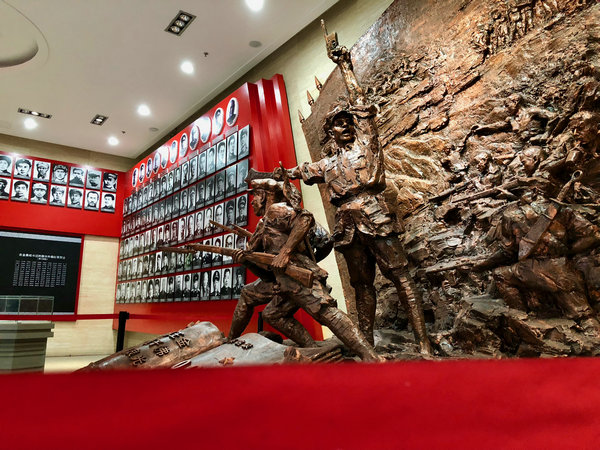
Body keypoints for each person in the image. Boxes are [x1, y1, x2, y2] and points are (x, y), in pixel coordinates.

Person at [278, 31, 432, 353]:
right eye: (339, 123)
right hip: (347, 228)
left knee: (401, 278)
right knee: (362, 286)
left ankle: (424, 344)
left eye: (349, 121)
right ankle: (367, 348)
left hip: (375, 216)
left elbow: (362, 106)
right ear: (330, 132)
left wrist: (345, 66)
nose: (347, 125)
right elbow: (298, 171)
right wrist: (278, 175)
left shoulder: (366, 144)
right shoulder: (326, 164)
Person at [229, 177, 380, 361]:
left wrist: (286, 253)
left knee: (326, 312)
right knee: (270, 311)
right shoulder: (264, 224)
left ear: (263, 195)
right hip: (281, 280)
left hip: (296, 275)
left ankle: (371, 357)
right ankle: (313, 349)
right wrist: (246, 261)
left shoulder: (276, 210)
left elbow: (305, 218)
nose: (252, 201)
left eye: (255, 196)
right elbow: (267, 272)